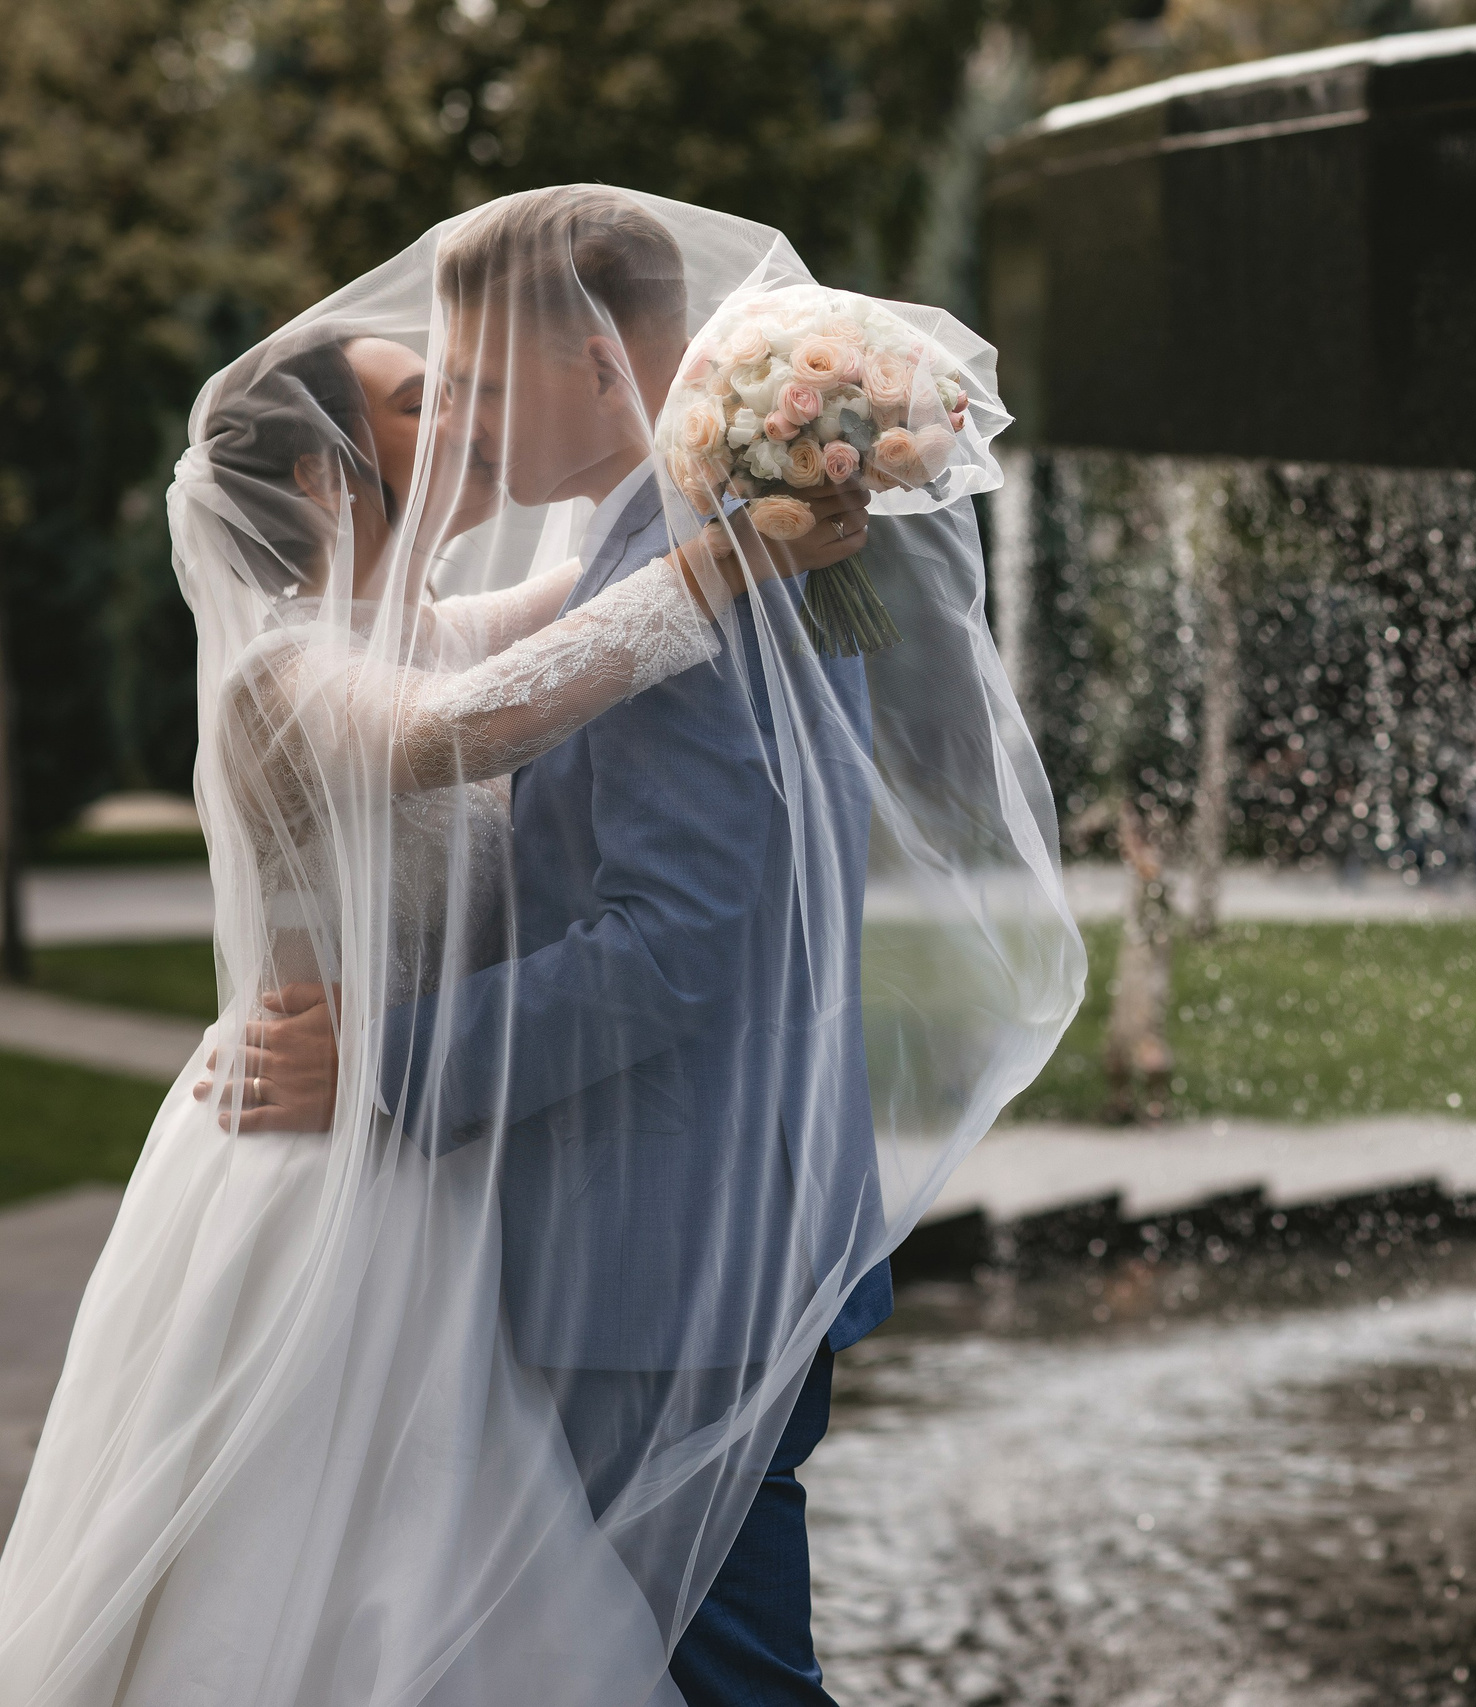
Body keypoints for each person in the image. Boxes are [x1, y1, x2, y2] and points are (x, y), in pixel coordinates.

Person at [0, 189, 1083, 1705]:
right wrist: (713, 560)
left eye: (472, 382)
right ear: (323, 473)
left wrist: (756, 494)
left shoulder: (515, 593)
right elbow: (462, 728)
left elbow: (611, 735)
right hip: (337, 1165)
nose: (457, 415)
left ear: (591, 357)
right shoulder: (290, 676)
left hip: (540, 1204)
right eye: (423, 398)